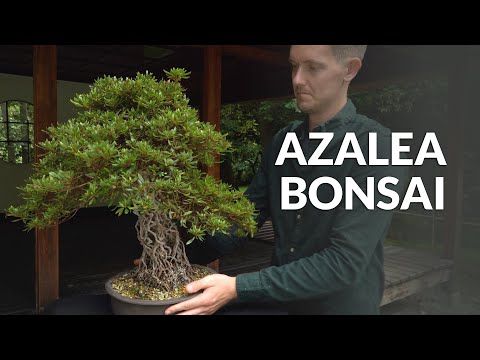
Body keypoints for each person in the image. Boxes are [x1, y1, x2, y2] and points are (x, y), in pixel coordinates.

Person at [165, 45, 409, 315]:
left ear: (349, 69)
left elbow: (343, 263)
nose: (297, 80)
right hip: (280, 304)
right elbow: (243, 220)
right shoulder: (284, 141)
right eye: (294, 66)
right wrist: (173, 258)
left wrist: (237, 287)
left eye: (313, 68)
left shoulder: (378, 148)